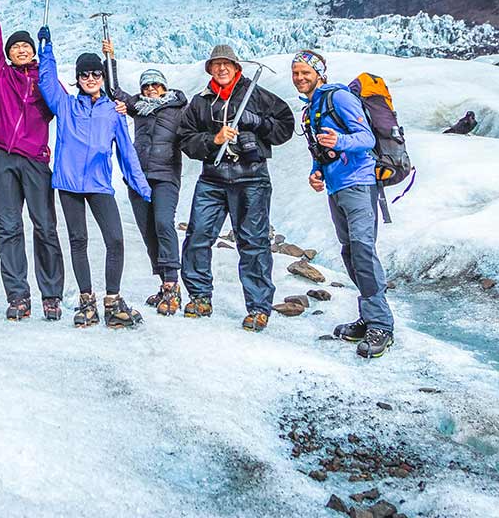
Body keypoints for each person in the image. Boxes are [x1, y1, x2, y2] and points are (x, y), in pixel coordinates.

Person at [35, 26, 151, 328]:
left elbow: (126, 151)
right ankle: (87, 302)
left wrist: (142, 187)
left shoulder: (113, 111)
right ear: (78, 78)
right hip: (69, 183)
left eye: (95, 74)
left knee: (115, 239)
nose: (90, 79)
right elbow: (47, 83)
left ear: (101, 77)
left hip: (99, 184)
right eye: (84, 75)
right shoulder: (66, 105)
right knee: (78, 240)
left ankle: (112, 301)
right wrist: (46, 50)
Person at [177, 44, 295, 331]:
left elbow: (285, 126)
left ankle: (258, 307)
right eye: (216, 65)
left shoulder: (256, 95)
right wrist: (213, 140)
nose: (222, 69)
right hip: (213, 178)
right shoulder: (201, 101)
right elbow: (185, 139)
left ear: (236, 67)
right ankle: (199, 296)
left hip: (251, 178)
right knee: (198, 237)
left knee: (253, 243)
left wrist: (257, 122)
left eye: (226, 64)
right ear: (209, 69)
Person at [292, 49, 394, 359]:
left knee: (363, 249)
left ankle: (382, 325)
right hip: (336, 187)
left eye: (305, 73)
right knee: (350, 252)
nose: (299, 78)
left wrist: (340, 142)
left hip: (360, 183)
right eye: (295, 73)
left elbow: (366, 139)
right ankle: (368, 316)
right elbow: (318, 152)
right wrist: (316, 173)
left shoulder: (339, 98)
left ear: (319, 74)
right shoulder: (311, 110)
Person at [0, 0, 62, 321]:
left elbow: (58, 101)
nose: (21, 50)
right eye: (17, 48)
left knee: (44, 226)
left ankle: (52, 295)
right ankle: (17, 296)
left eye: (26, 46)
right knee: (9, 227)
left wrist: (49, 55)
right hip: (5, 159)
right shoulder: (2, 75)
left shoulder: (43, 78)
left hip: (36, 160)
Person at [102, 40, 186, 316]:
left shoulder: (177, 108)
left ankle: (173, 286)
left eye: (156, 85)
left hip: (165, 175)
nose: (151, 89)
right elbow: (113, 90)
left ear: (165, 87)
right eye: (147, 85)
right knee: (148, 229)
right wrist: (110, 57)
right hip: (139, 178)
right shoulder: (137, 106)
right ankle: (164, 285)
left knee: (163, 223)